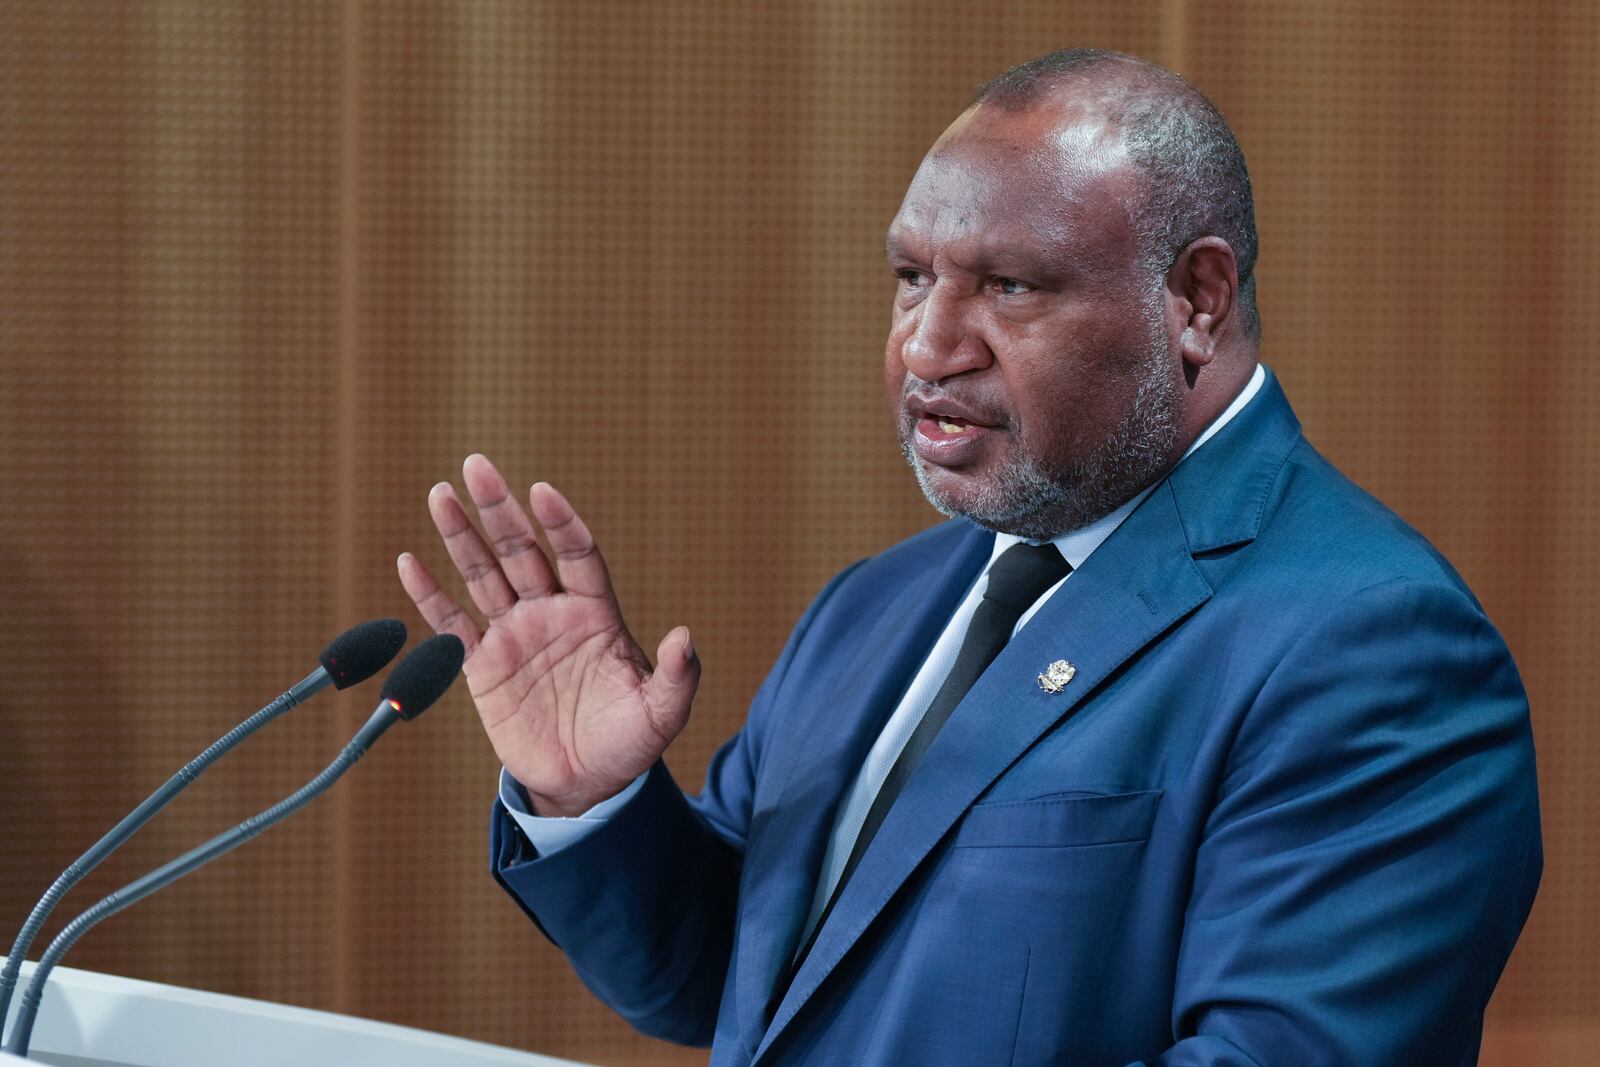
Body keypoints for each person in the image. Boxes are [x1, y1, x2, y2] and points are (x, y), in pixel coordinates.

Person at [397, 49, 1541, 1066]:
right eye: (910, 277)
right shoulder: (881, 602)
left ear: (1194, 300)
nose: (927, 346)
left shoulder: (1371, 640)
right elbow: (724, 985)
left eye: (1009, 284)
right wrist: (595, 799)